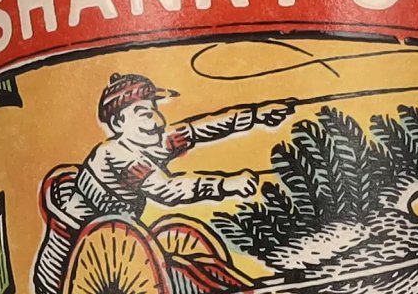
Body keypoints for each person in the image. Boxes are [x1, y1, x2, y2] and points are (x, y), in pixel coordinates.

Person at [61, 72, 293, 225]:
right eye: (143, 114)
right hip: (84, 246)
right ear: (118, 122)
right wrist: (226, 185)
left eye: (154, 110)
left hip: (119, 238)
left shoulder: (143, 143)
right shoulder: (116, 155)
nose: (157, 121)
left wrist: (256, 116)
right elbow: (167, 189)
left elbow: (196, 131)